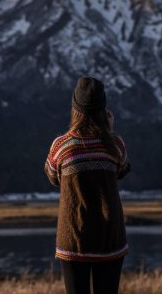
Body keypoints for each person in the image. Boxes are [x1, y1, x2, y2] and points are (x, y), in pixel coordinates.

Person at [44, 76, 132, 294]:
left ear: (75, 108)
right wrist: (109, 132)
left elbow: (53, 177)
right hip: (110, 238)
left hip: (73, 239)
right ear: (103, 110)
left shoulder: (61, 146)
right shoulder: (115, 144)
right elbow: (122, 170)